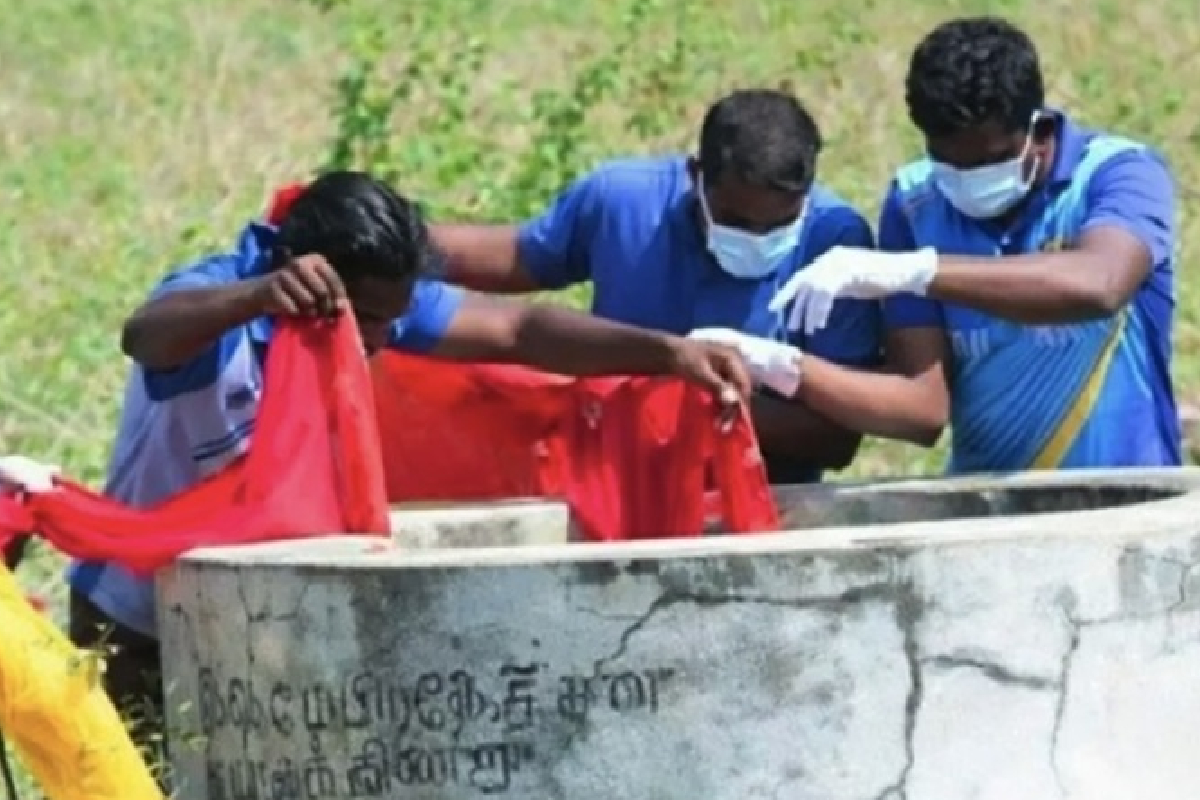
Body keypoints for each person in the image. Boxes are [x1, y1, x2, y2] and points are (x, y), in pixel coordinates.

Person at [64, 170, 757, 767]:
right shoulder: (222, 303)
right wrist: (257, 297)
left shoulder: (379, 305)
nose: (373, 341)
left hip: (257, 621)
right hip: (137, 615)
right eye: (363, 319)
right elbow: (145, 333)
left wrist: (668, 353)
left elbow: (519, 332)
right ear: (302, 270)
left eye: (389, 324)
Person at [768, 16, 1180, 473]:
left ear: (1037, 130)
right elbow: (922, 409)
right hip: (988, 513)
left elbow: (1100, 284)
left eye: (991, 160)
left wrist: (918, 272)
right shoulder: (914, 203)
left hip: (1125, 504)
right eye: (947, 162)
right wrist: (781, 365)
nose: (968, 180)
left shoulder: (1115, 176)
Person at [431, 88, 884, 485]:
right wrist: (386, 248)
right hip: (620, 489)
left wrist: (689, 407)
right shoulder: (623, 202)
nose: (758, 239)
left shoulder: (835, 243)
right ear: (696, 177)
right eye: (737, 222)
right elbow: (519, 258)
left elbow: (836, 439)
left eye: (779, 226)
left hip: (765, 502)